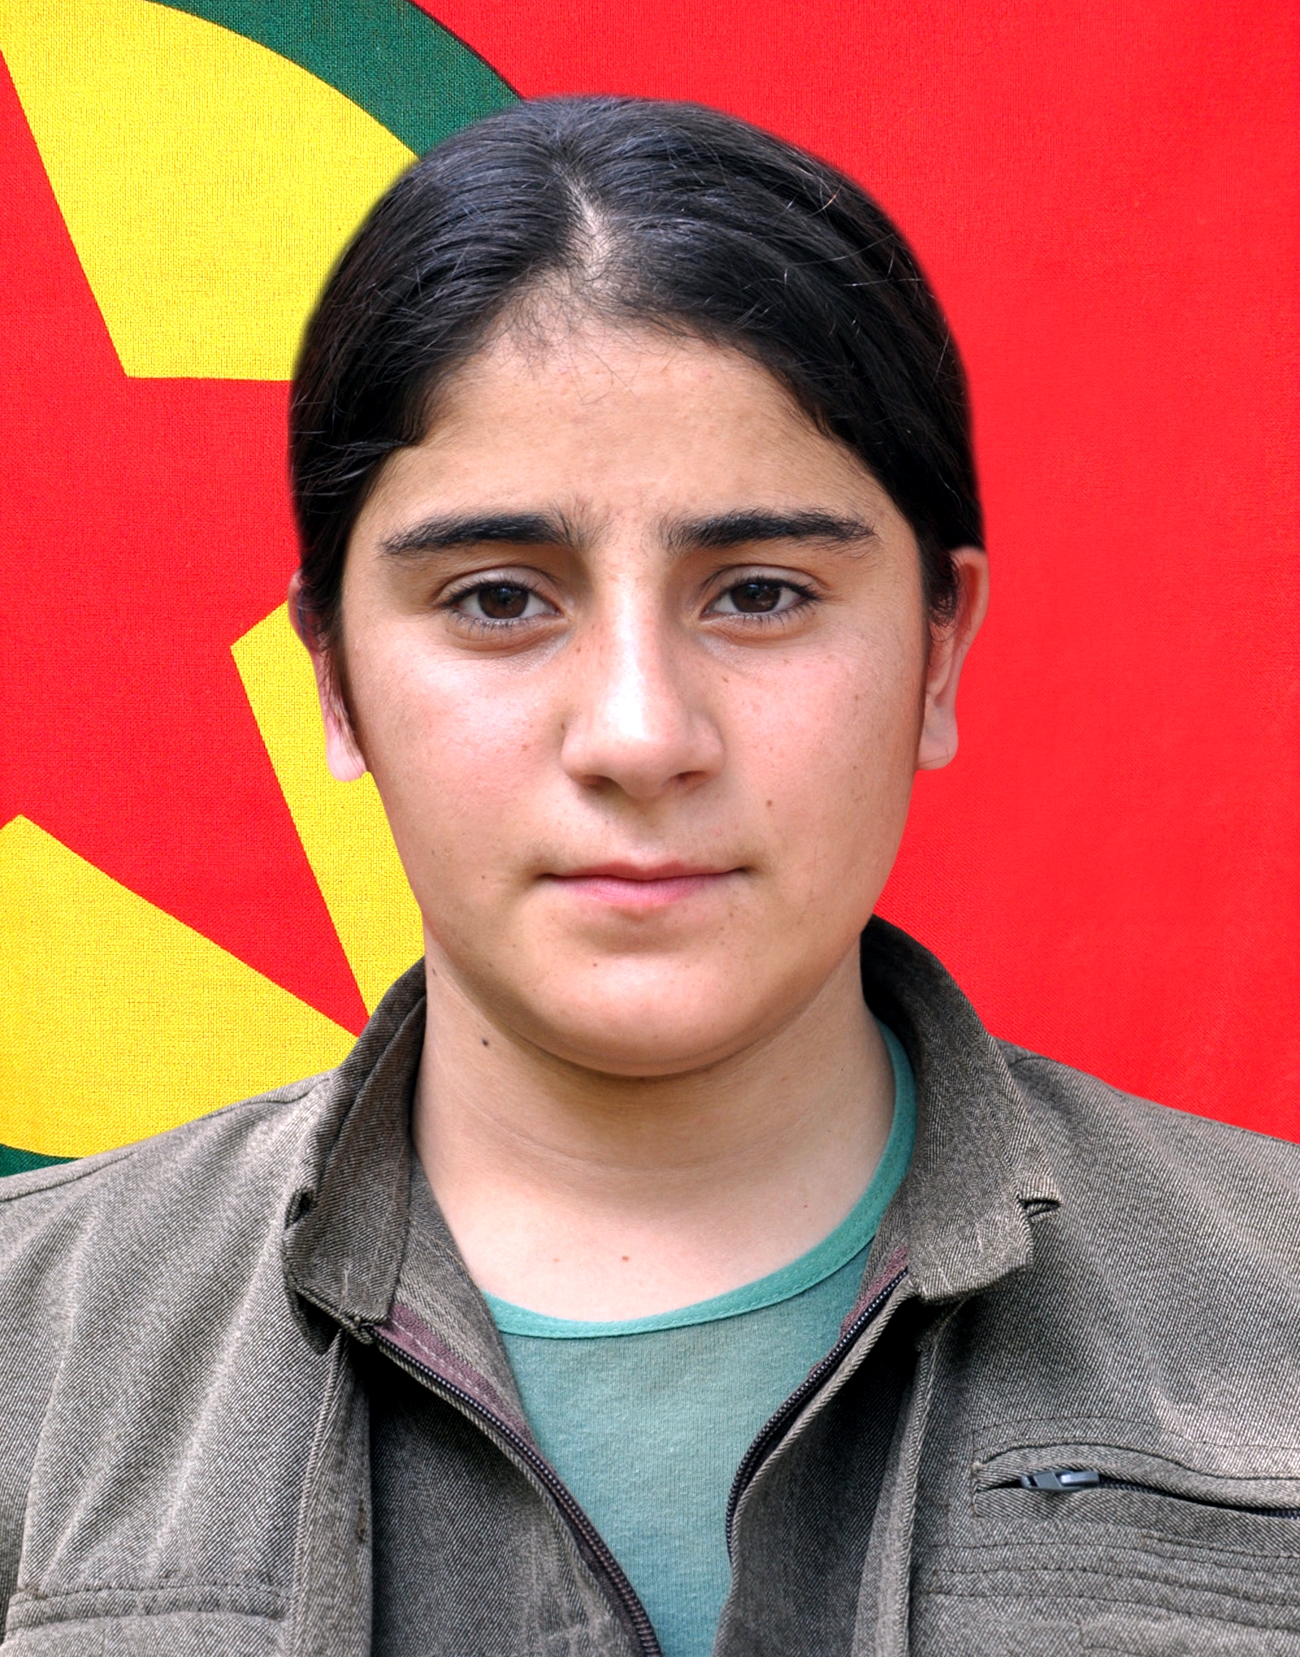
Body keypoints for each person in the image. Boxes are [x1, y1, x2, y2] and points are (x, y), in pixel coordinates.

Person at [2, 97, 1298, 1657]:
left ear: (937, 650)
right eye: (499, 599)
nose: (639, 734)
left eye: (759, 593)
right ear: (335, 677)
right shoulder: (31, 1351)